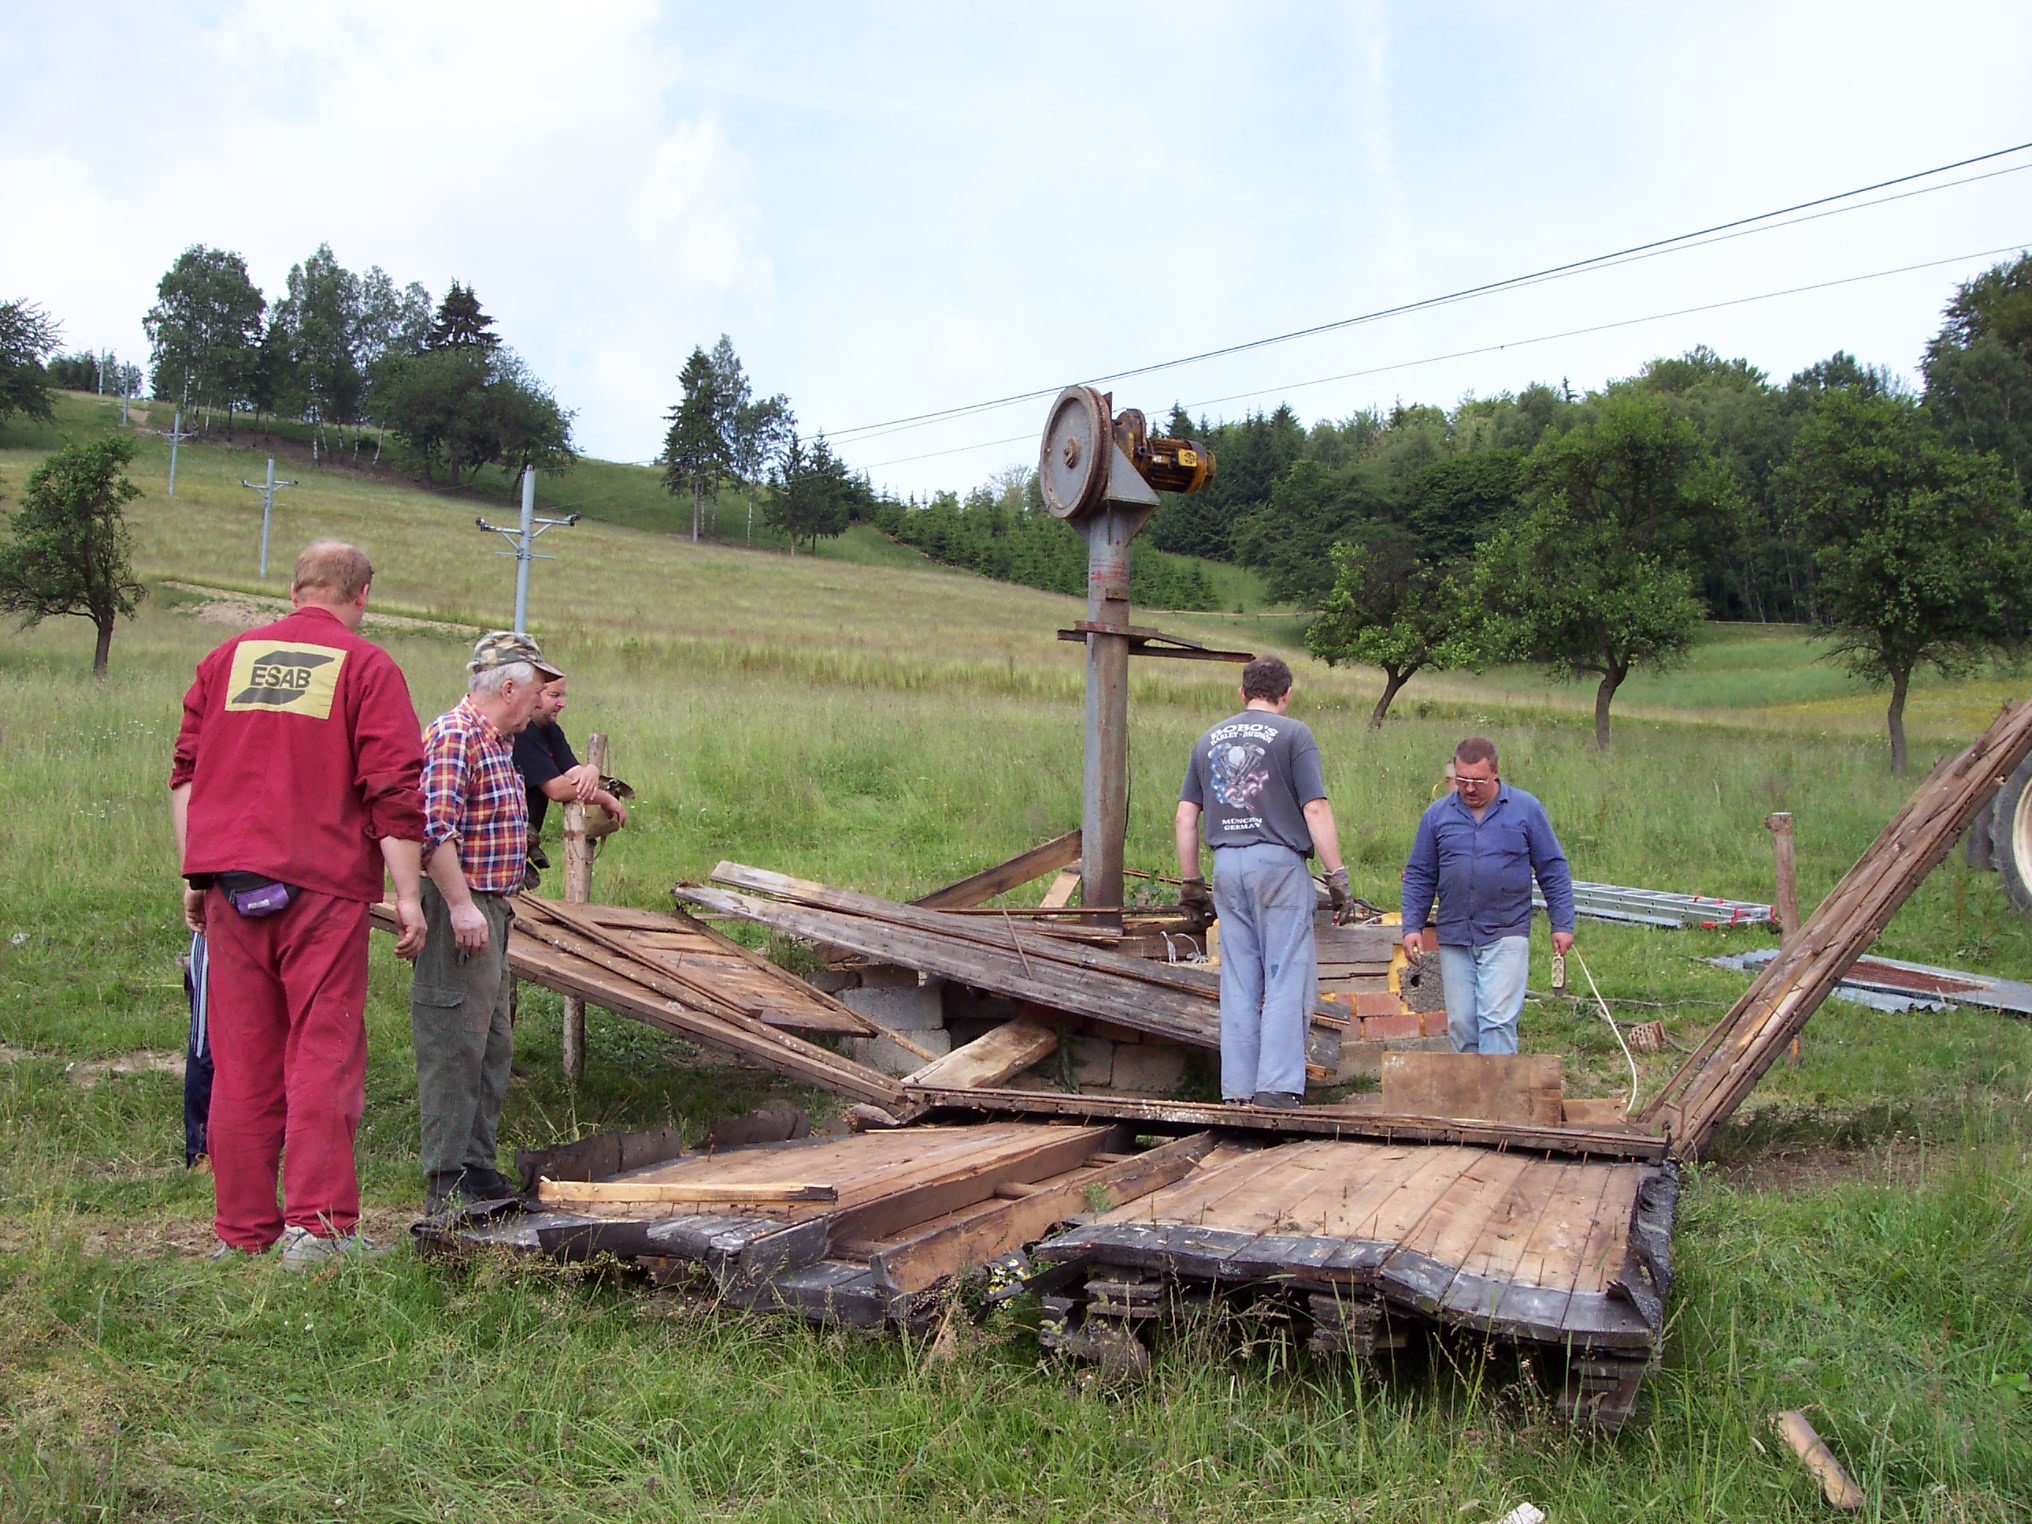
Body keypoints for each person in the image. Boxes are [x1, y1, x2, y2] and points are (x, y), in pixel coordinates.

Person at [170, 540, 429, 1267]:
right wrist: (409, 896)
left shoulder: (225, 661)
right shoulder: (367, 666)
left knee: (243, 1057)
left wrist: (196, 876)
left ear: (294, 590)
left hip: (230, 882)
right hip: (320, 885)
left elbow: (185, 772)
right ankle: (318, 1230)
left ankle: (241, 1233)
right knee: (323, 1049)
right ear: (362, 595)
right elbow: (394, 790)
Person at [412, 631, 557, 1213]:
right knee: (453, 1042)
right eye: (538, 689)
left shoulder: (499, 741)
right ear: (508, 687)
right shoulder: (455, 736)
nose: (542, 701)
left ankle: (476, 1167)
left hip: (493, 907)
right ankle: (445, 1181)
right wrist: (461, 904)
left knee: (491, 1043)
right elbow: (432, 828)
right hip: (461, 910)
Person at [1174, 655, 1349, 1109]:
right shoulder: (1294, 735)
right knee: (1286, 974)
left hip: (1226, 866)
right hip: (1278, 864)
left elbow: (1185, 816)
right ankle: (1277, 1088)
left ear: (1242, 692)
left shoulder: (1208, 739)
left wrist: (1192, 882)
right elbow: (1315, 809)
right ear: (1287, 694)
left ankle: (1237, 1090)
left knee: (1238, 980)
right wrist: (1337, 876)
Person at [1400, 737, 1576, 1055]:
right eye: (1462, 780)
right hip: (1455, 935)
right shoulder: (1437, 816)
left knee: (1496, 1021)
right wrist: (1412, 925)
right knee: (1463, 1025)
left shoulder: (1526, 810)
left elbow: (1553, 869)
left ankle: (1500, 1101)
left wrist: (1562, 922)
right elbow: (1420, 874)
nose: (1469, 789)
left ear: (1495, 773)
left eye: (1477, 781)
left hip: (1506, 932)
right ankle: (1470, 1100)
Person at [512, 675, 628, 886]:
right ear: (533, 694)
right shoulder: (523, 733)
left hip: (521, 839)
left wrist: (591, 770)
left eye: (563, 695)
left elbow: (574, 774)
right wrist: (606, 798)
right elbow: (557, 789)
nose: (562, 703)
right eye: (554, 695)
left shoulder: (549, 730)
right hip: (504, 840)